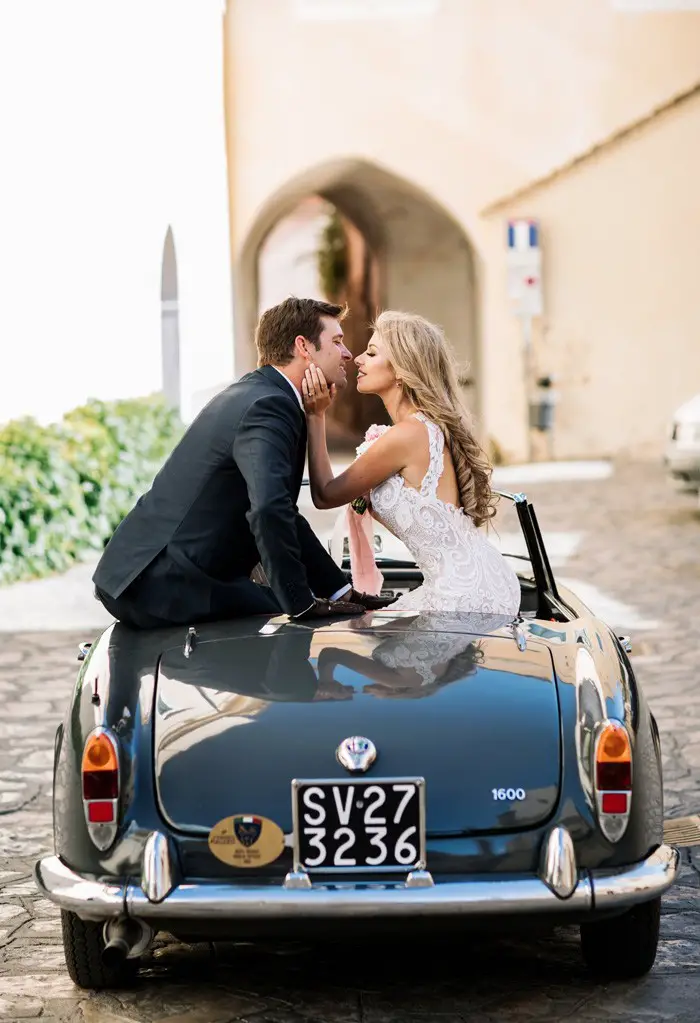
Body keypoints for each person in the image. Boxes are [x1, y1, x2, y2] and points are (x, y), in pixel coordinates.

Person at [93, 297, 393, 629]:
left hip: (143, 576)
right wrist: (301, 603)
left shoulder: (258, 392)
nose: (348, 353)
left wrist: (339, 592)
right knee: (294, 621)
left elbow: (282, 514)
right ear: (303, 346)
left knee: (310, 612)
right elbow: (269, 510)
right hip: (164, 585)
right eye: (337, 341)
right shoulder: (270, 406)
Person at [301, 310, 521, 616]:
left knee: (370, 650)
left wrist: (315, 415)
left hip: (463, 591)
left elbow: (324, 494)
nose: (358, 359)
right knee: (368, 642)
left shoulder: (408, 435)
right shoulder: (421, 430)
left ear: (403, 371)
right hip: (473, 579)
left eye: (372, 352)